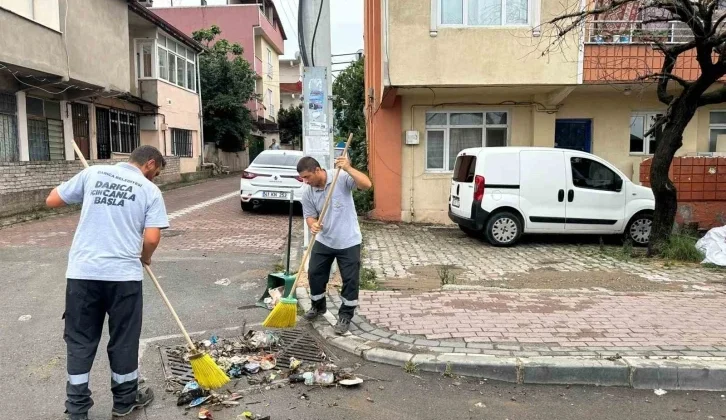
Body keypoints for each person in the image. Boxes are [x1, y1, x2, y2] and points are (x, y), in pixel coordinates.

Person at [46, 145, 169, 420]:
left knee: (79, 340)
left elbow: (52, 200)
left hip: (83, 273)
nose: (155, 178)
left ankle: (77, 409)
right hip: (123, 276)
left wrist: (90, 194)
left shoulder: (94, 174)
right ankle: (124, 401)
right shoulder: (150, 191)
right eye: (157, 173)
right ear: (150, 164)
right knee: (124, 338)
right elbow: (151, 239)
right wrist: (145, 258)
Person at [297, 155, 372, 334]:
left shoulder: (340, 177)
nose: (305, 181)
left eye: (307, 177)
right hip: (324, 240)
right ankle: (318, 306)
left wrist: (348, 168)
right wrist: (312, 224)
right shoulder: (308, 192)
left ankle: (345, 315)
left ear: (317, 170)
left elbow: (366, 185)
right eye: (303, 178)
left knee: (350, 280)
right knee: (315, 273)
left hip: (348, 240)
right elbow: (309, 215)